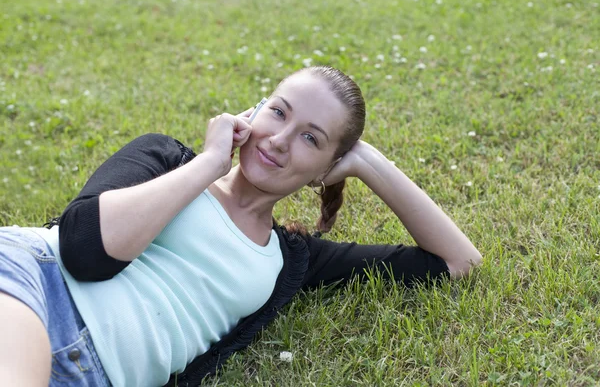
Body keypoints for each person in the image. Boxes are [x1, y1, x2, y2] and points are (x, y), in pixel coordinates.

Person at [0, 66, 482, 387]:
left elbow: (458, 261)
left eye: (310, 138)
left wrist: (368, 162)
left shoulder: (292, 259)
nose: (279, 139)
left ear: (326, 167)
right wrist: (210, 163)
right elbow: (84, 252)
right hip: (34, 287)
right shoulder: (166, 161)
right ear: (253, 110)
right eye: (279, 112)